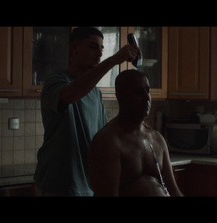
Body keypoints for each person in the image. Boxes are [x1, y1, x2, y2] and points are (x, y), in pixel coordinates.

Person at [33, 27, 140, 196]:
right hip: (56, 186)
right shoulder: (56, 80)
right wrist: (113, 60)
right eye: (93, 47)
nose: (99, 54)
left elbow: (105, 137)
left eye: (101, 49)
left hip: (87, 187)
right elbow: (72, 94)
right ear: (74, 48)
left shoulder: (96, 93)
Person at [88, 69, 183, 196]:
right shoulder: (109, 141)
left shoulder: (156, 139)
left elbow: (174, 191)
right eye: (138, 92)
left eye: (148, 91)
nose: (146, 98)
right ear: (120, 96)